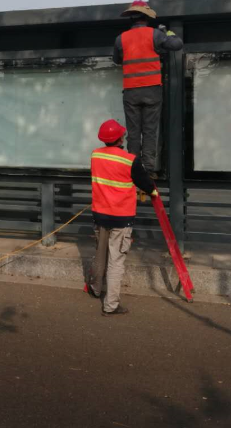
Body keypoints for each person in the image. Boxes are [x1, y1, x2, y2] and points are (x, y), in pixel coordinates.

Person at [87, 119, 157, 316]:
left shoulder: (95, 155)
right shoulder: (130, 160)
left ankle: (95, 288)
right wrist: (153, 191)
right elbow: (146, 184)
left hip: (100, 215)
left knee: (100, 254)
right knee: (116, 261)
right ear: (120, 139)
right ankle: (110, 305)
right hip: (120, 217)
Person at [113, 0, 183, 177]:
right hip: (152, 90)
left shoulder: (121, 38)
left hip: (131, 91)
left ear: (131, 18)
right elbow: (177, 44)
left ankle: (133, 169)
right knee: (150, 131)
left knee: (133, 133)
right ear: (146, 17)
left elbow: (117, 60)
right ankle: (148, 170)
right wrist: (167, 32)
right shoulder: (155, 34)